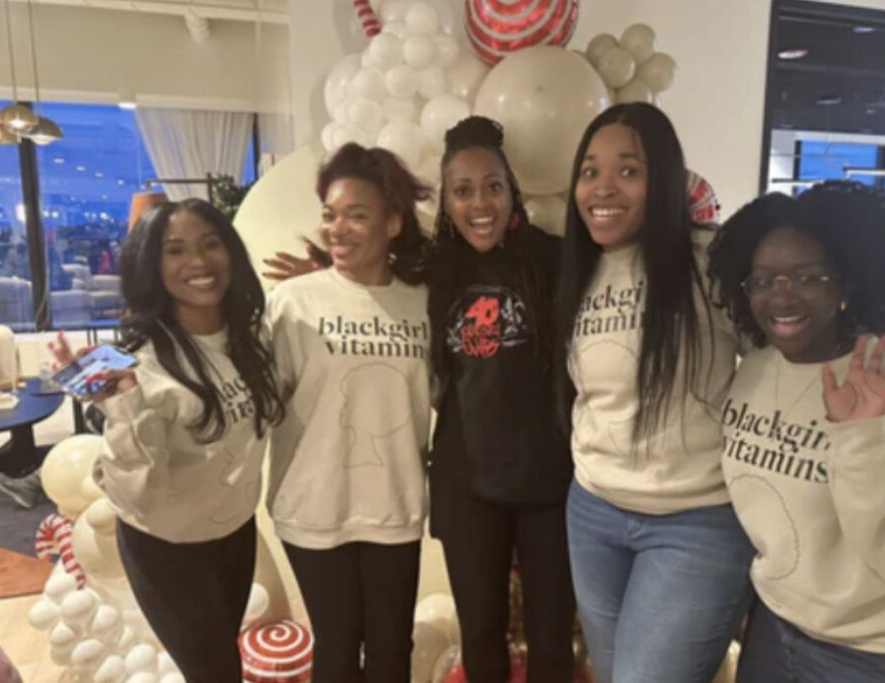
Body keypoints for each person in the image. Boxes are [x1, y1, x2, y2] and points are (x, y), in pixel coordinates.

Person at [707, 181, 885, 682]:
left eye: (806, 277)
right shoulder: (753, 372)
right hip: (773, 632)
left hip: (874, 656)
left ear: (845, 283)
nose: (780, 294)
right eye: (761, 280)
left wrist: (862, 433)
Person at [554, 102, 754, 683]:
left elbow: (786, 361)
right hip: (593, 511)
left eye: (628, 170)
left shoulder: (709, 260)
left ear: (661, 178)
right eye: (589, 171)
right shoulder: (578, 269)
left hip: (696, 523)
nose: (602, 188)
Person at [48, 198, 284, 682]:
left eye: (210, 244)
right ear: (153, 266)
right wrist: (126, 405)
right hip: (167, 547)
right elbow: (138, 489)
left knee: (225, 660)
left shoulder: (250, 338)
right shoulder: (141, 363)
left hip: (233, 530)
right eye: (175, 250)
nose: (197, 262)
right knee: (215, 672)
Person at [264, 143, 432, 683]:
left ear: (393, 223)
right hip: (313, 506)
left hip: (395, 506)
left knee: (390, 657)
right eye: (330, 215)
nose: (337, 229)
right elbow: (258, 399)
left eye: (357, 216)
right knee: (336, 656)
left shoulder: (424, 302)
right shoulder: (292, 302)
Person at [427, 116, 575, 682]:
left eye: (492, 185)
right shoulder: (434, 269)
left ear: (511, 189)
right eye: (462, 191)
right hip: (467, 486)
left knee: (550, 638)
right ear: (446, 200)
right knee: (481, 637)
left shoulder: (555, 259)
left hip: (549, 484)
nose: (479, 203)